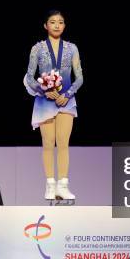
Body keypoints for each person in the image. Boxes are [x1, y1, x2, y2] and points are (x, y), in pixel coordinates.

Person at [24, 10, 83, 202]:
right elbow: (29, 77)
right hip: (44, 101)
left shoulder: (72, 48)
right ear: (45, 25)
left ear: (64, 26)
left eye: (61, 22)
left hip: (66, 101)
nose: (57, 25)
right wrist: (43, 90)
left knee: (63, 143)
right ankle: (50, 185)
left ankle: (63, 185)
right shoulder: (37, 49)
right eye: (53, 22)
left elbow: (79, 77)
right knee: (48, 144)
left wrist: (67, 94)